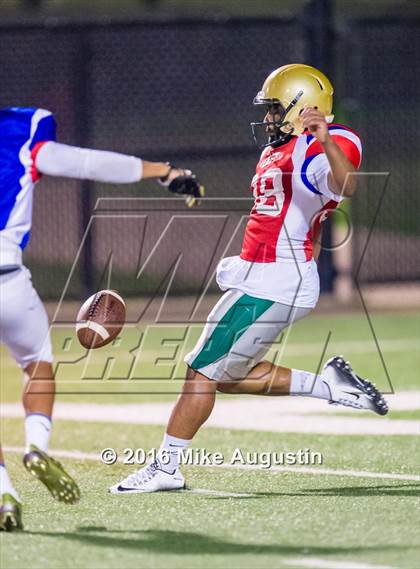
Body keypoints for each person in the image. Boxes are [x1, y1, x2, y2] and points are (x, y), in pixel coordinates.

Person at [109, 64, 388, 495]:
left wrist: (324, 137)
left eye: (276, 109)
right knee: (224, 374)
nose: (269, 119)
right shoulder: (276, 152)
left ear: (301, 108)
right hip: (264, 276)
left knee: (200, 372)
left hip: (275, 281)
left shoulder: (323, 144)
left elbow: (346, 184)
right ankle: (331, 387)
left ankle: (166, 467)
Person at [0, 105, 204, 530]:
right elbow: (87, 162)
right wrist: (162, 171)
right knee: (37, 362)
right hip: (9, 280)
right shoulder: (19, 130)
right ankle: (36, 446)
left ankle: (5, 490)